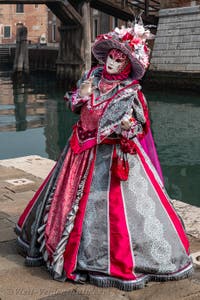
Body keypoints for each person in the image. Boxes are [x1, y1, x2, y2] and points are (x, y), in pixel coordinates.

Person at [15, 20, 193, 291]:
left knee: (112, 213)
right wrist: (81, 96)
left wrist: (126, 128)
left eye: (118, 60)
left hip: (110, 158)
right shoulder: (92, 78)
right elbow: (75, 105)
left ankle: (104, 259)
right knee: (62, 205)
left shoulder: (130, 93)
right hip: (77, 152)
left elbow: (139, 127)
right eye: (110, 57)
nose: (111, 63)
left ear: (126, 65)